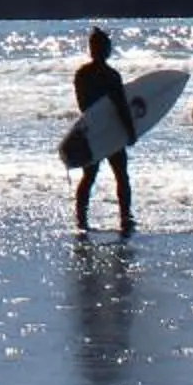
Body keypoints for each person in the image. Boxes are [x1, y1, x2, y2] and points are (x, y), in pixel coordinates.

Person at [70, 27, 138, 234]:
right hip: (112, 132)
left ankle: (81, 218)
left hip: (91, 131)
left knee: (89, 176)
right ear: (105, 49)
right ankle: (125, 217)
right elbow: (121, 106)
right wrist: (129, 131)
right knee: (121, 176)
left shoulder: (82, 74)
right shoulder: (111, 75)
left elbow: (83, 106)